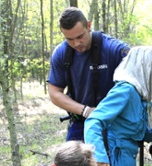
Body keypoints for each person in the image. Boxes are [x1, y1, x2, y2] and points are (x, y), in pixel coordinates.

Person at [47, 7, 131, 142]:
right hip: (81, 122)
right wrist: (86, 111)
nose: (76, 43)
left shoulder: (114, 49)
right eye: (70, 39)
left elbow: (147, 75)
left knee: (109, 163)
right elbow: (54, 93)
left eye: (80, 36)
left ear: (89, 25)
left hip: (114, 124)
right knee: (72, 161)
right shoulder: (62, 53)